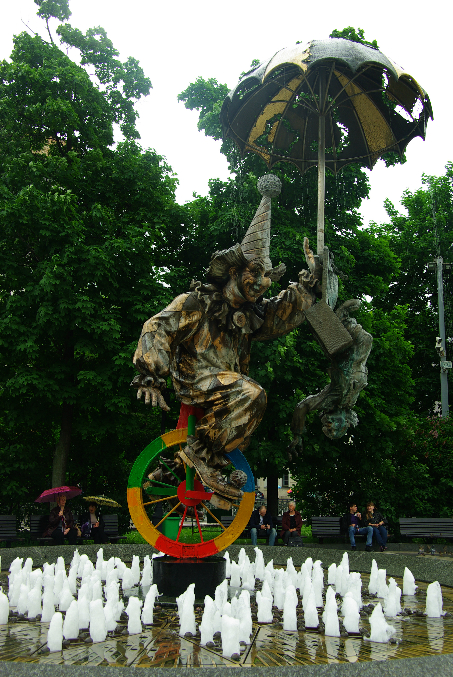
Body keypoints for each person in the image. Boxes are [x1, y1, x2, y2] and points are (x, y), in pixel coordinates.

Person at [131, 175, 322, 501]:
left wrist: (309, 285)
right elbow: (157, 327)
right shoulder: (198, 303)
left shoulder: (251, 314)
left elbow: (281, 314)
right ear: (234, 271)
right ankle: (199, 454)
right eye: (256, 272)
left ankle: (176, 468)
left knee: (246, 413)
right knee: (252, 395)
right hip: (195, 379)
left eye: (267, 276)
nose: (262, 283)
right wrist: (150, 374)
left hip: (225, 388)